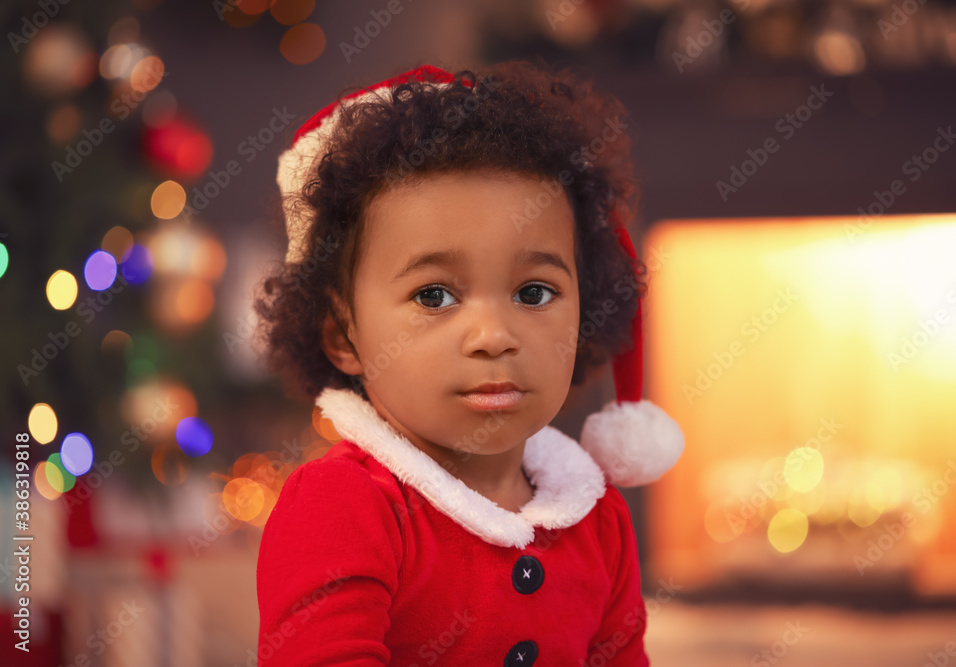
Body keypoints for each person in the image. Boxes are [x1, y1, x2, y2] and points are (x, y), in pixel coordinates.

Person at [252, 59, 684, 666]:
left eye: (533, 293)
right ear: (343, 335)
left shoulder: (598, 518)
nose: (493, 336)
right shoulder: (342, 505)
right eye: (435, 296)